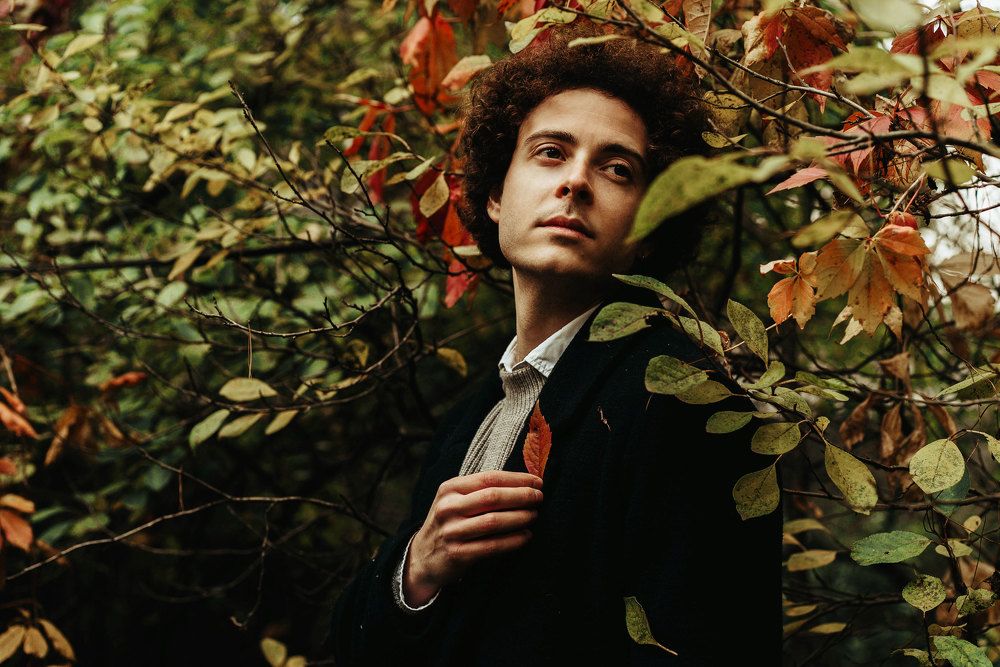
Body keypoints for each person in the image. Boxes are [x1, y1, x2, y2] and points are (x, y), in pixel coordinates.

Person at [330, 20, 781, 665]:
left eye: (618, 168)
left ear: (650, 228)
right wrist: (416, 572)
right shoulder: (468, 420)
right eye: (549, 152)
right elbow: (351, 645)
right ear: (494, 195)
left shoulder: (686, 396)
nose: (575, 182)